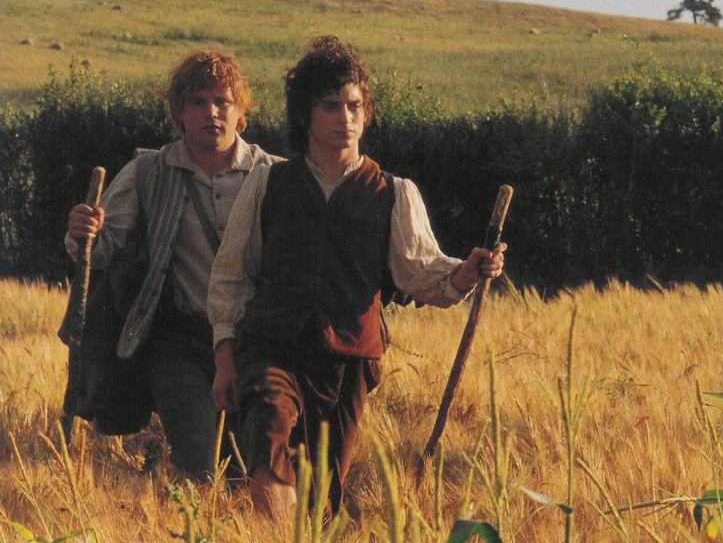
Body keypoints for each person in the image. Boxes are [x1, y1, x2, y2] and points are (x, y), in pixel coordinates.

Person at [207, 36, 506, 518]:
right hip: (272, 346)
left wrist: (467, 271)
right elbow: (230, 277)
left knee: (323, 495)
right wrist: (225, 358)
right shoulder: (268, 183)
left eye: (354, 106)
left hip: (347, 362)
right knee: (268, 448)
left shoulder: (393, 192)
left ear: (366, 113)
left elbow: (420, 272)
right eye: (331, 106)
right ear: (305, 115)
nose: (345, 118)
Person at [64, 47, 281, 478]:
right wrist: (82, 232)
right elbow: (101, 249)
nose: (211, 112)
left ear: (241, 113)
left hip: (254, 340)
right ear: (179, 113)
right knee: (200, 461)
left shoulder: (273, 175)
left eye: (222, 101)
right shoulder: (149, 171)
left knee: (247, 466)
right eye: (197, 102)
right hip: (179, 341)